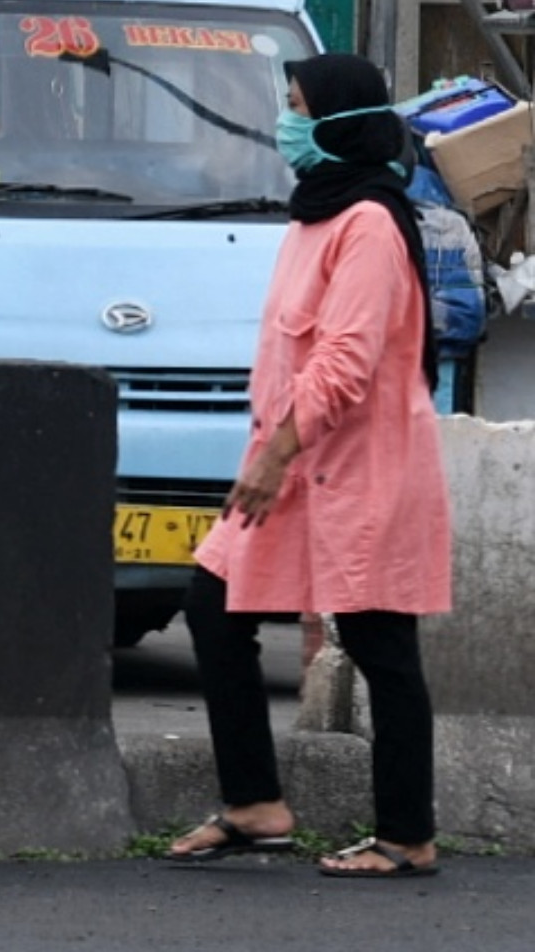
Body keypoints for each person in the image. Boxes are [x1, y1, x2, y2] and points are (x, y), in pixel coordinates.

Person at [164, 52, 451, 879]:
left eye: (297, 106)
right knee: (214, 607)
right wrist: (272, 453)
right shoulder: (313, 217)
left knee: (379, 640)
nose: (286, 122)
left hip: (359, 465)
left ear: (337, 122)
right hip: (295, 461)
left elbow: (345, 361)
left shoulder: (370, 222)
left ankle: (408, 835)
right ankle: (255, 805)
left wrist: (274, 456)